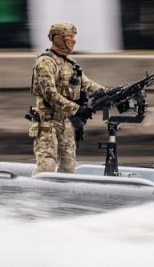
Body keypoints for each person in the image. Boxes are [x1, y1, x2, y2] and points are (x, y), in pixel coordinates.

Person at [29, 22, 106, 175]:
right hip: (47, 121)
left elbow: (88, 84)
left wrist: (108, 92)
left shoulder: (71, 64)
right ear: (58, 38)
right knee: (47, 165)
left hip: (66, 122)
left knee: (68, 167)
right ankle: (38, 191)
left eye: (73, 37)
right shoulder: (45, 62)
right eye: (69, 37)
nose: (73, 41)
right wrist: (78, 109)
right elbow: (50, 95)